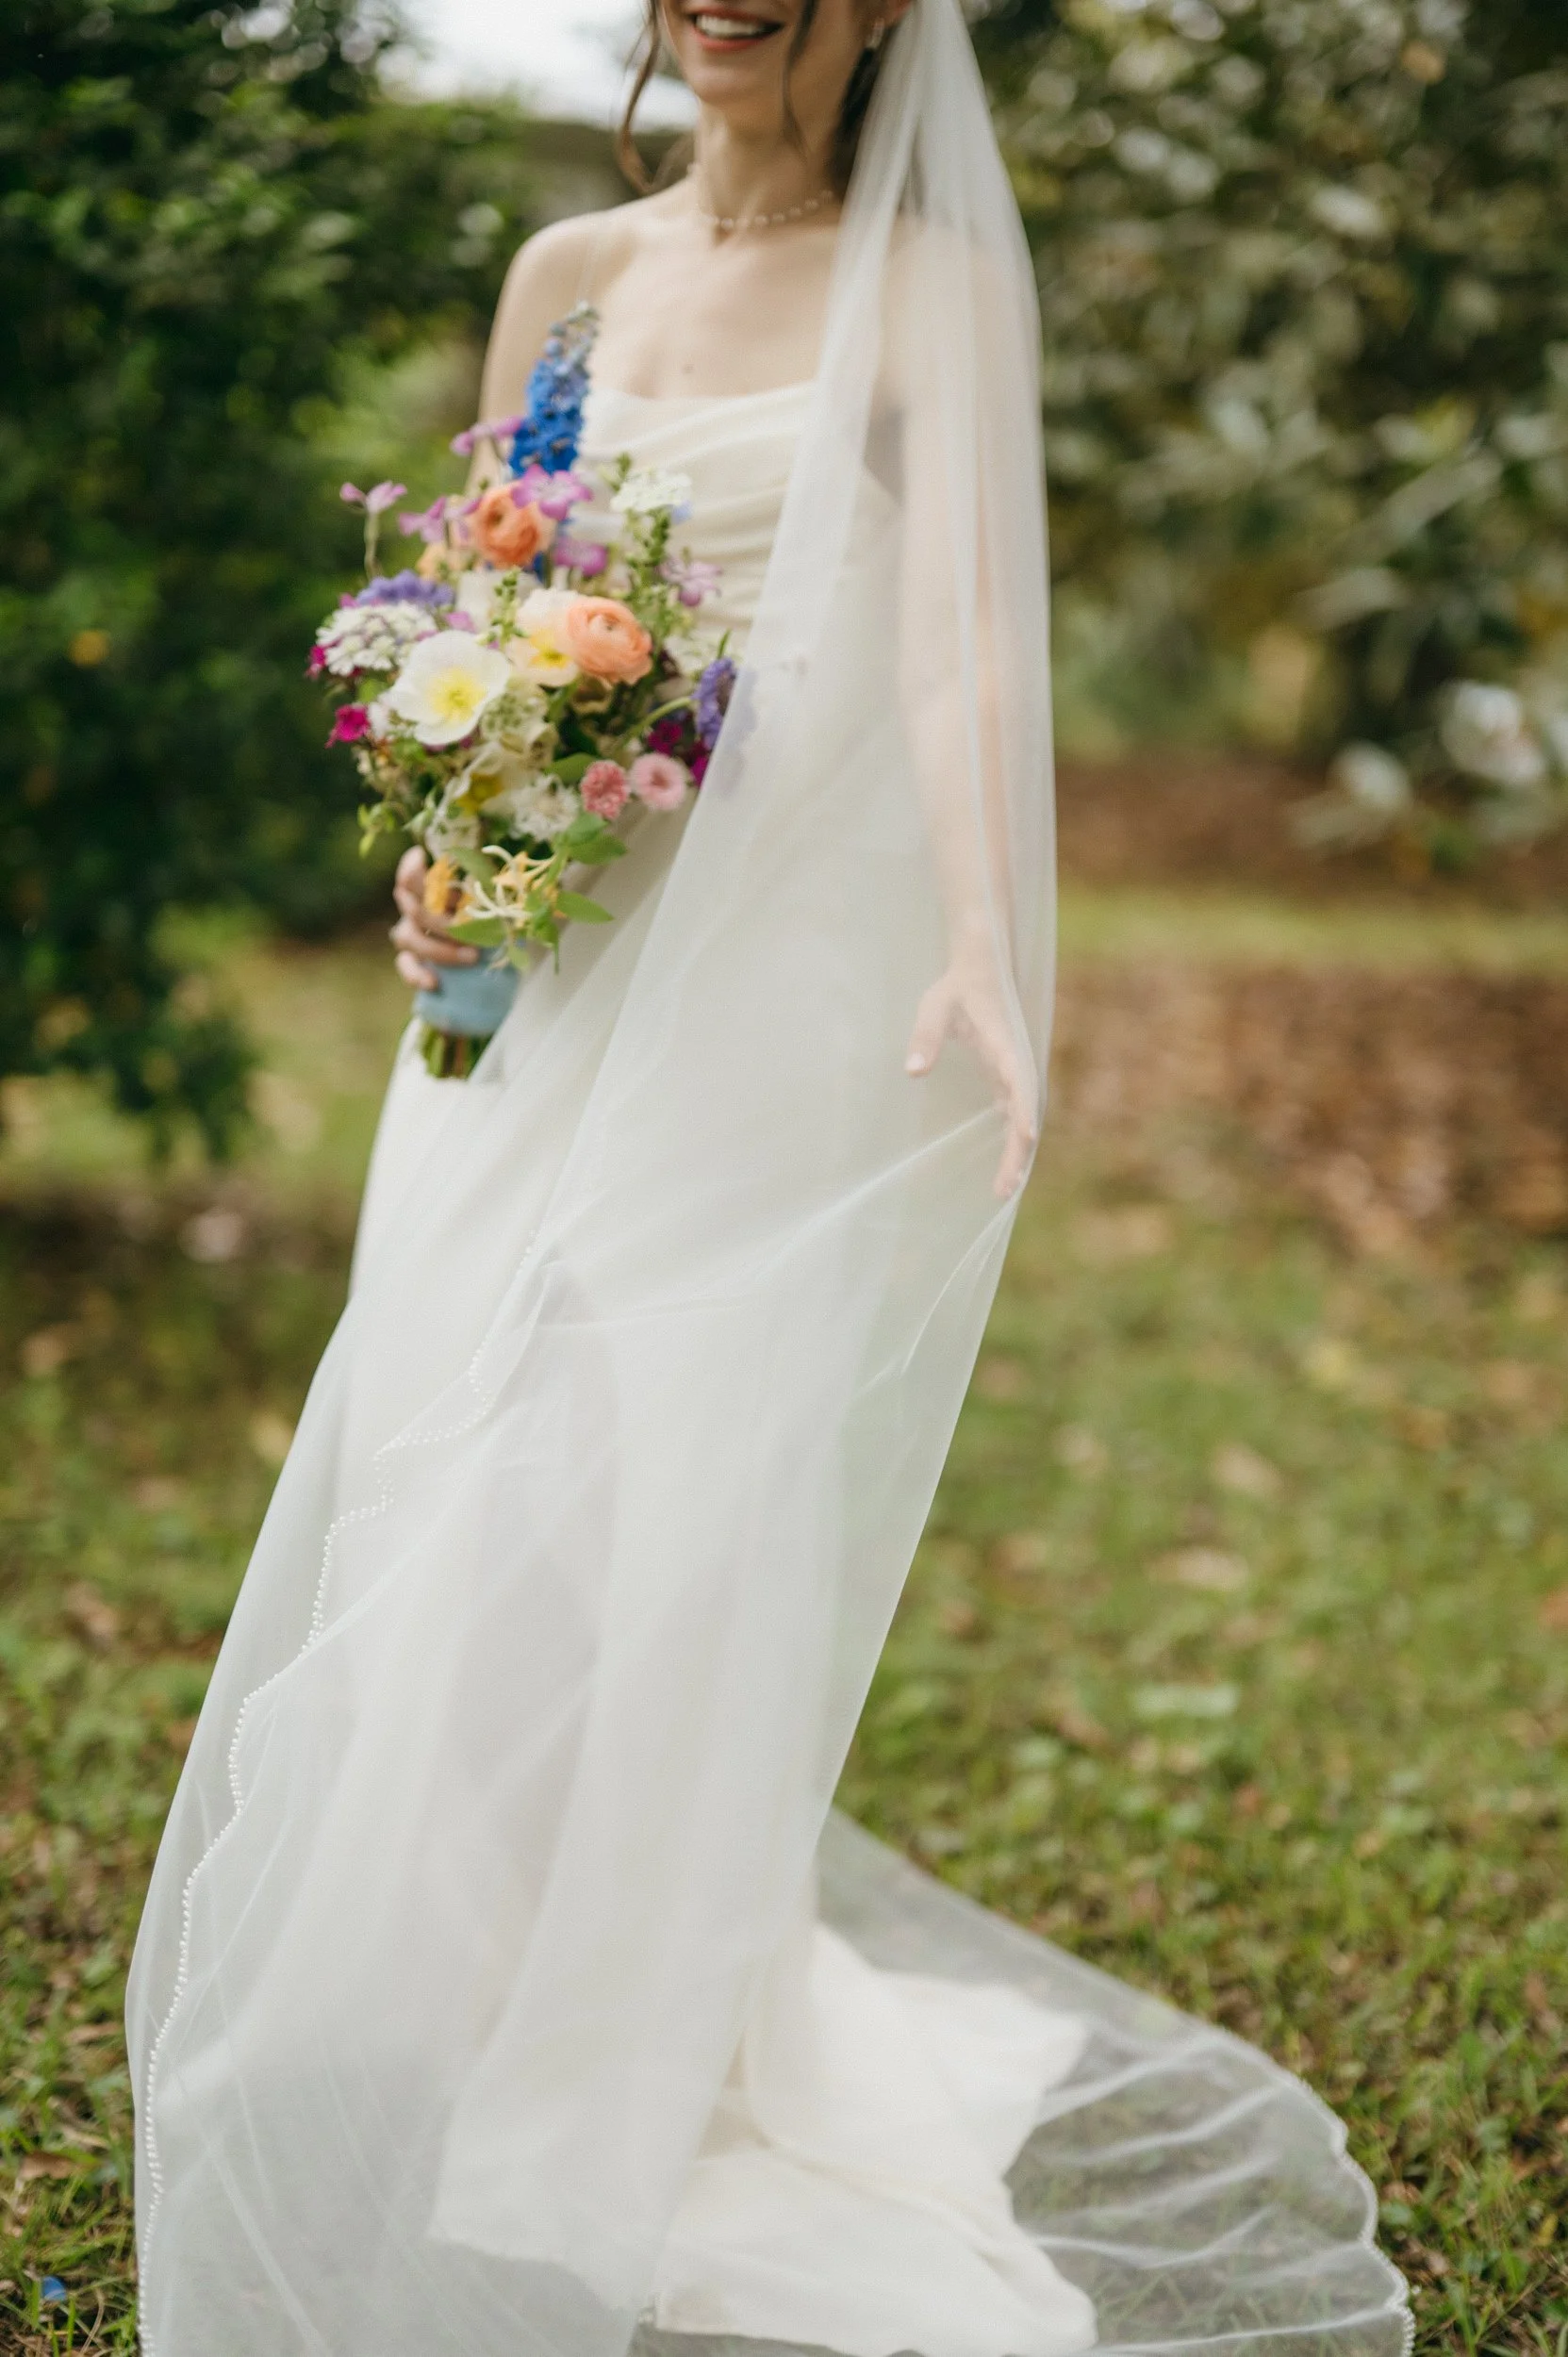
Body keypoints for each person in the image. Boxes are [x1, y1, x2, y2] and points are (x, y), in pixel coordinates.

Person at [128, 2, 1411, 2352]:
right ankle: (466, 1967)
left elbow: (948, 654)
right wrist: (442, 858)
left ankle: (634, 2044)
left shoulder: (925, 282)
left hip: (774, 972)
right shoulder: (566, 272)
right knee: (472, 1439)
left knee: (672, 1479)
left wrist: (981, 945)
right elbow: (474, 604)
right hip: (550, 959)